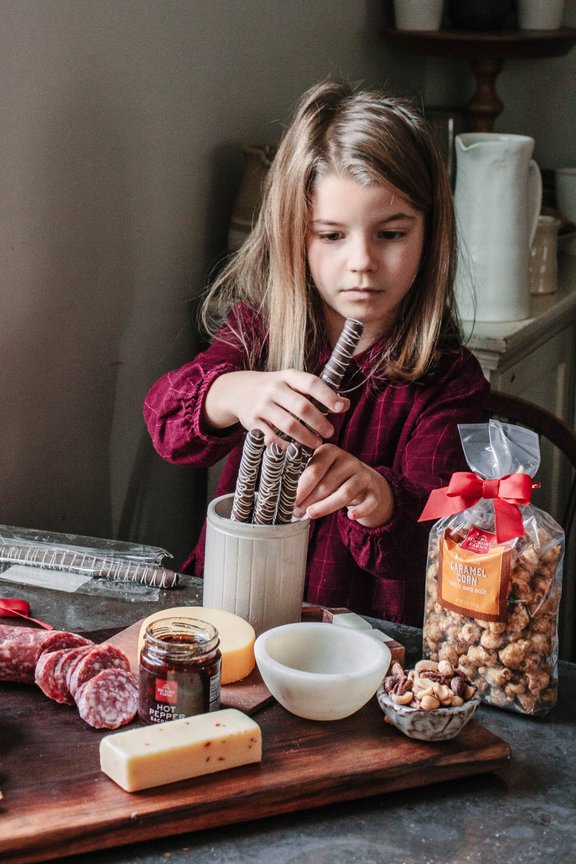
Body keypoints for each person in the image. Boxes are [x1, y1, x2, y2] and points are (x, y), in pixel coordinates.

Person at [143, 79, 489, 626]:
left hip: (364, 649)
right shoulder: (260, 333)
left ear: (431, 233)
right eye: (331, 235)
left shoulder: (450, 380)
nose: (362, 262)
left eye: (391, 233)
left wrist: (378, 498)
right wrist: (233, 391)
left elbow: (438, 540)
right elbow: (168, 424)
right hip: (238, 621)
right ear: (294, 236)